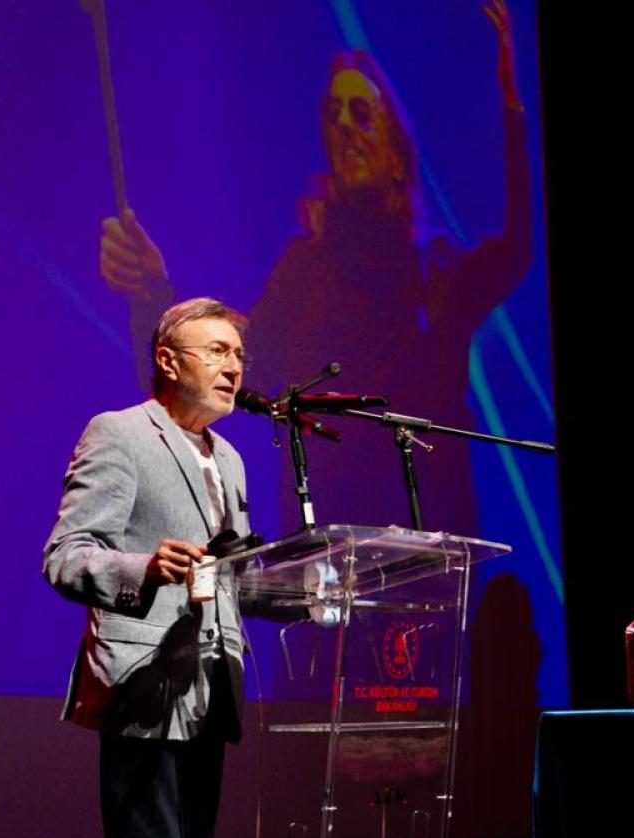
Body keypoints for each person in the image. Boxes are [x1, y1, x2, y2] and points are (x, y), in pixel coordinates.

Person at [98, 0, 532, 536]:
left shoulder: (438, 270)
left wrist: (513, 103)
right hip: (331, 535)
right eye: (334, 114)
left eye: (362, 113)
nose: (345, 124)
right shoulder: (307, 268)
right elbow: (235, 361)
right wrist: (153, 293)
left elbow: (515, 251)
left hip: (428, 529)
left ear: (398, 155)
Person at [43, 297, 252, 838]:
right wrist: (147, 569)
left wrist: (311, 592)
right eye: (217, 351)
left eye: (239, 355)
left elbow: (227, 576)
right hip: (143, 684)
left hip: (210, 687)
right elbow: (65, 555)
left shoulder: (230, 459)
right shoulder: (120, 434)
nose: (233, 367)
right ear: (168, 360)